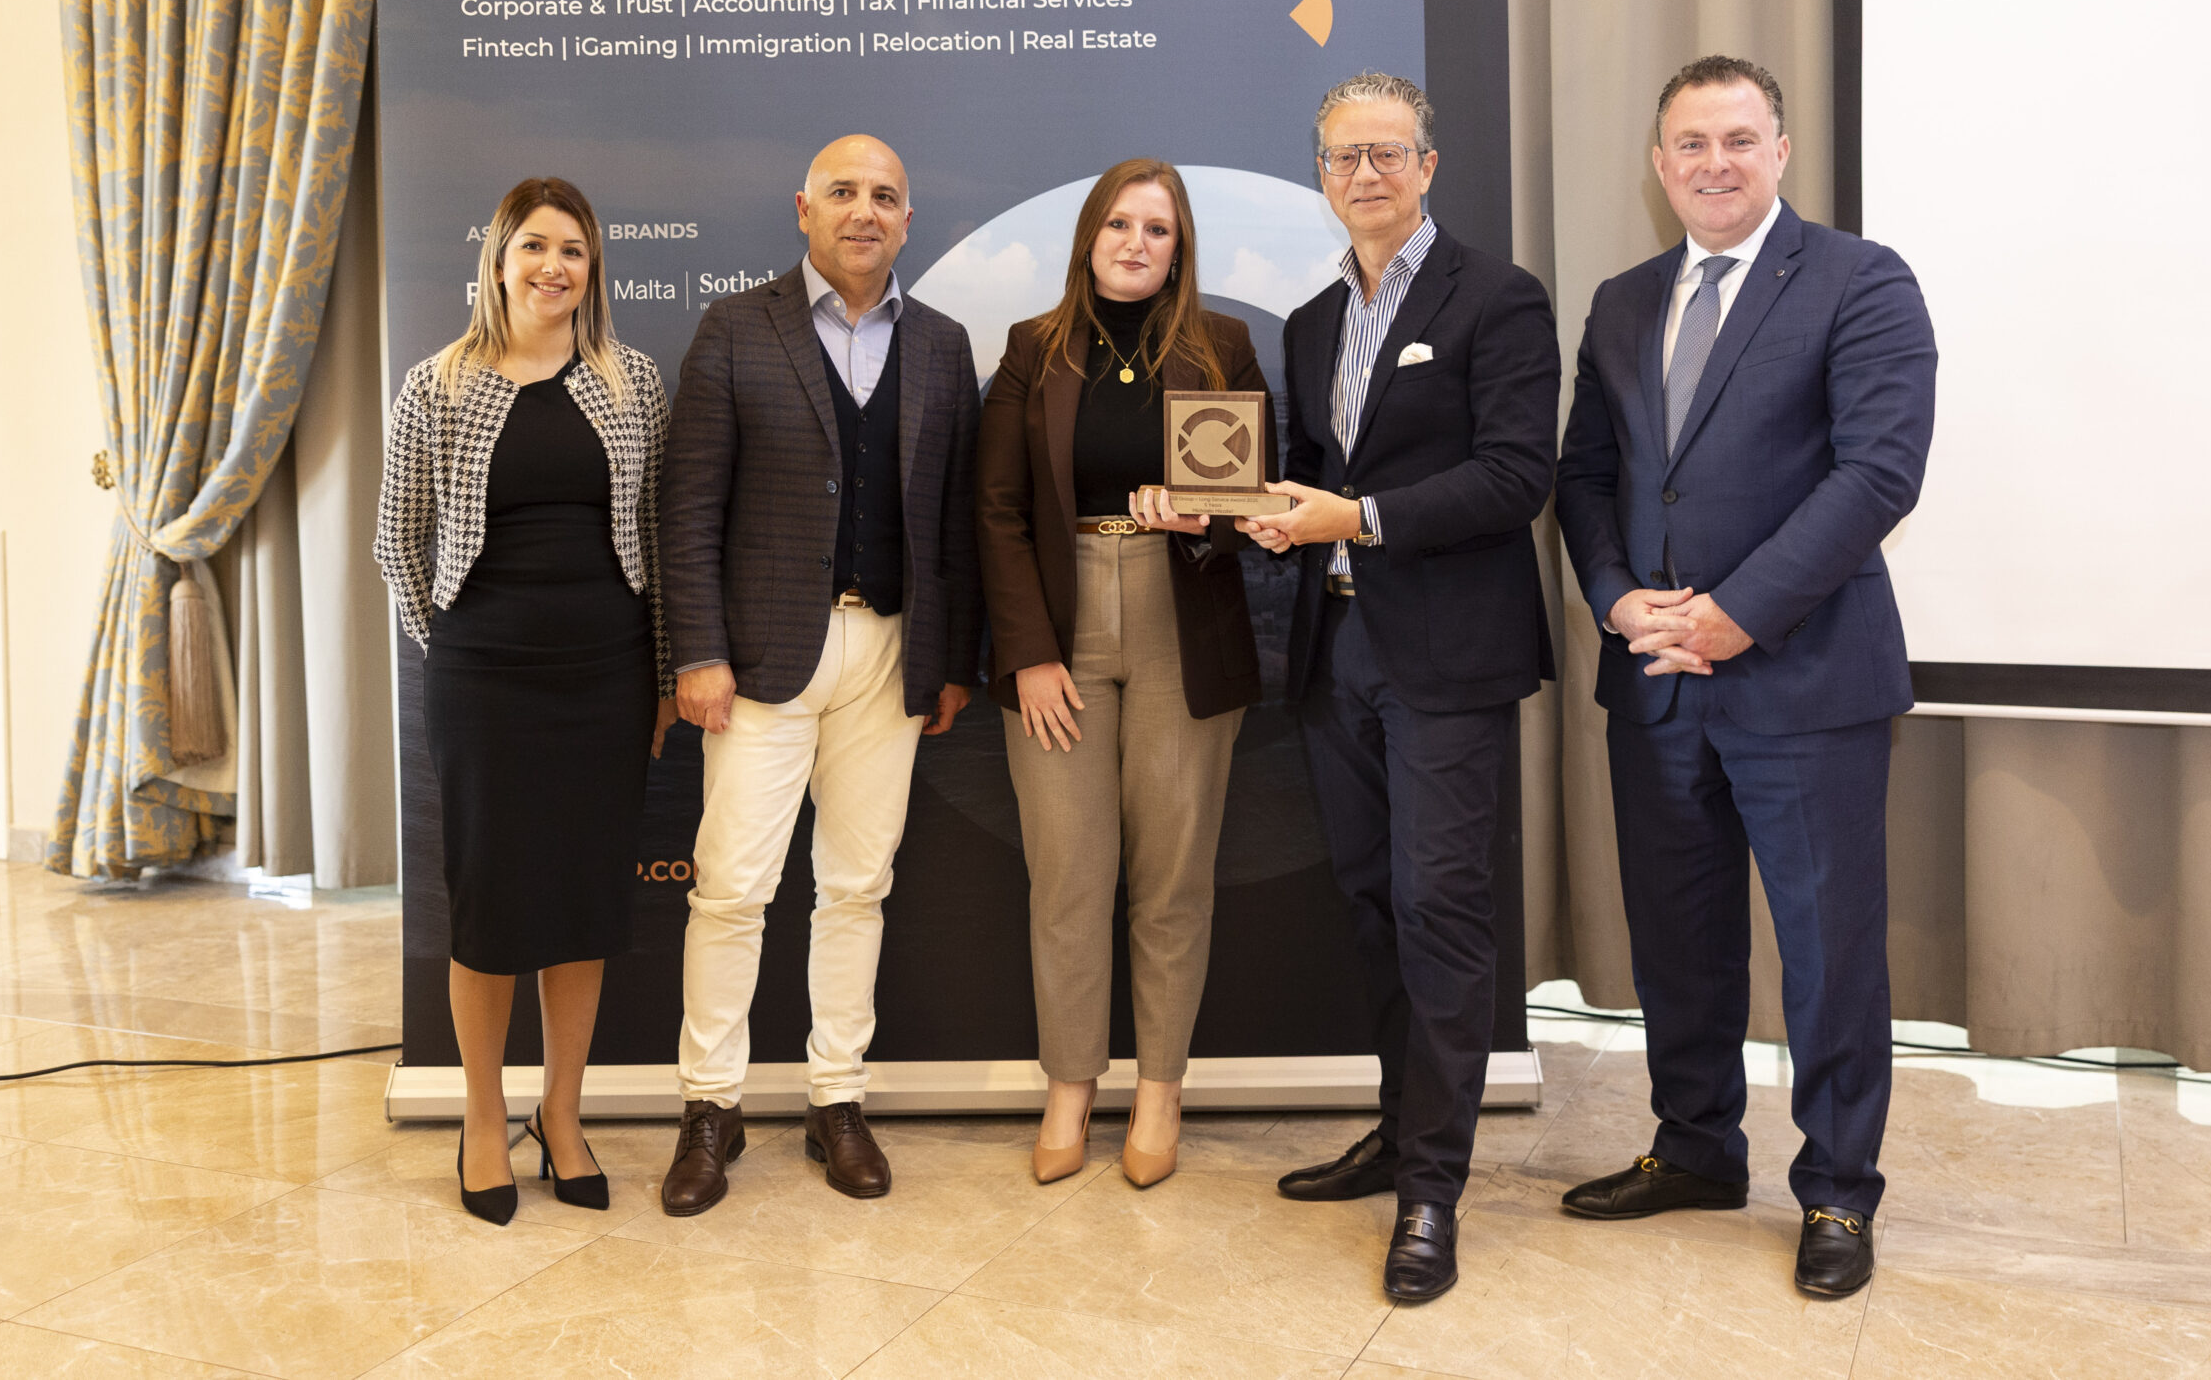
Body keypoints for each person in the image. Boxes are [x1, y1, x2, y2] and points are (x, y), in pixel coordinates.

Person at [1553, 55, 1935, 1298]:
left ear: (1779, 151)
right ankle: (1695, 1149)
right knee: (1678, 942)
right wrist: (1615, 597)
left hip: (1805, 681)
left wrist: (1737, 616)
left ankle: (1837, 1191)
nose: (1712, 163)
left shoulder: (1859, 280)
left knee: (1829, 952)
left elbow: (1877, 473)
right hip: (1654, 677)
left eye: (1736, 139)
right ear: (1658, 164)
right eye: (1689, 143)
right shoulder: (1621, 301)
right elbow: (1586, 477)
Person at [1240, 73, 1560, 1302]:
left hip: (1448, 658)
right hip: (1338, 655)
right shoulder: (1312, 321)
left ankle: (1433, 1188)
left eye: (1385, 153)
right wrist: (1259, 512)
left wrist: (1358, 517)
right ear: (1319, 175)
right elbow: (1310, 472)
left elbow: (1516, 476)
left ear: (1427, 165)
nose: (1363, 174)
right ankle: (1397, 1129)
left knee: (1440, 912)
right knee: (1373, 903)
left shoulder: (1498, 297)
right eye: (1342, 157)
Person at [657, 134, 982, 1214]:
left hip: (889, 656)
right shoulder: (735, 328)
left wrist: (950, 663)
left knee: (857, 886)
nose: (863, 210)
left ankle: (836, 1098)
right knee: (732, 891)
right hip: (759, 661)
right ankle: (711, 1108)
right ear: (804, 209)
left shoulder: (941, 345)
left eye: (884, 195)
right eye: (843, 191)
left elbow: (955, 522)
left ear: (907, 220)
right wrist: (697, 651)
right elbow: (689, 506)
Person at [375, 176, 673, 1226]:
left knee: (584, 904)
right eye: (536, 247)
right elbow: (398, 543)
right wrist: (456, 647)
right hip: (484, 682)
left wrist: (662, 677)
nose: (555, 267)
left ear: (593, 270)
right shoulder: (437, 386)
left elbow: (657, 538)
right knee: (490, 906)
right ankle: (479, 1118)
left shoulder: (633, 381)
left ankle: (562, 1114)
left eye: (574, 251)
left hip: (606, 678)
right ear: (498, 261)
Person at [977, 159, 1272, 1189]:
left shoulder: (1223, 345)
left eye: (1156, 228)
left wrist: (1205, 519)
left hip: (1180, 621)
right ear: (1088, 237)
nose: (1135, 243)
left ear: (1179, 247)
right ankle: (1069, 1086)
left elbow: (1255, 503)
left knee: (1172, 880)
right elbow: (997, 510)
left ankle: (1158, 1089)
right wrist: (1028, 653)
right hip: (1056, 633)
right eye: (1118, 224)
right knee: (1067, 876)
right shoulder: (1033, 348)